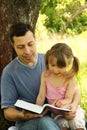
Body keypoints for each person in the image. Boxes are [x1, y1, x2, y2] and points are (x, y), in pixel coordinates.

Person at [1, 22, 62, 130]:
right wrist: (22, 115)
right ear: (13, 46)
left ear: (35, 40)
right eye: (21, 47)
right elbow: (8, 112)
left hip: (57, 116)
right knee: (45, 123)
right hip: (28, 123)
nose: (27, 51)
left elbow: (70, 86)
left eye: (30, 44)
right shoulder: (9, 72)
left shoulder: (50, 62)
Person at [36, 43, 86, 130]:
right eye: (53, 65)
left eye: (60, 66)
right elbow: (41, 96)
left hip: (70, 110)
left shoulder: (70, 78)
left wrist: (62, 103)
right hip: (57, 113)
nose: (55, 70)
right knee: (62, 125)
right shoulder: (45, 75)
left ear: (68, 65)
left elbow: (69, 98)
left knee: (77, 123)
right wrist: (36, 110)